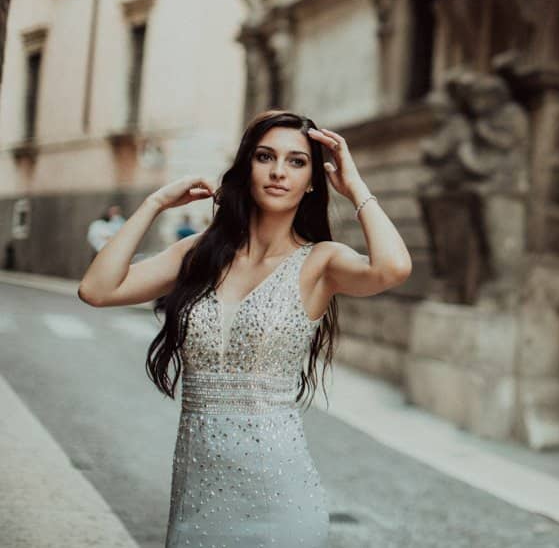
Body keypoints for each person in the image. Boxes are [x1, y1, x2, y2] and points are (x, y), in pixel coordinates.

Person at [77, 111, 412, 546]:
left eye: (296, 162)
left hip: (281, 500)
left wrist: (356, 188)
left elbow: (393, 267)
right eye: (265, 157)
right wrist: (154, 203)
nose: (278, 171)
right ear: (246, 168)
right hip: (196, 499)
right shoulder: (199, 254)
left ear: (312, 179)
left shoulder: (321, 262)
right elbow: (97, 289)